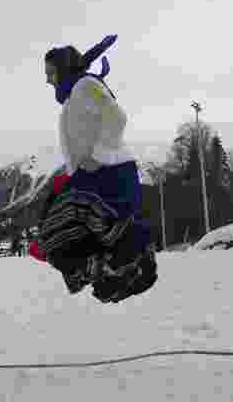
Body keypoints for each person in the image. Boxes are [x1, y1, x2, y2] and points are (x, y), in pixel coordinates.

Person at [34, 34, 157, 303]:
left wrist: (97, 156)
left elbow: (116, 117)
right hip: (93, 175)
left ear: (64, 69)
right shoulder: (76, 92)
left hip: (109, 172)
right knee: (59, 231)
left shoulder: (86, 86)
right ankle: (111, 273)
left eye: (50, 73)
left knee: (59, 231)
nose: (47, 80)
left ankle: (122, 268)